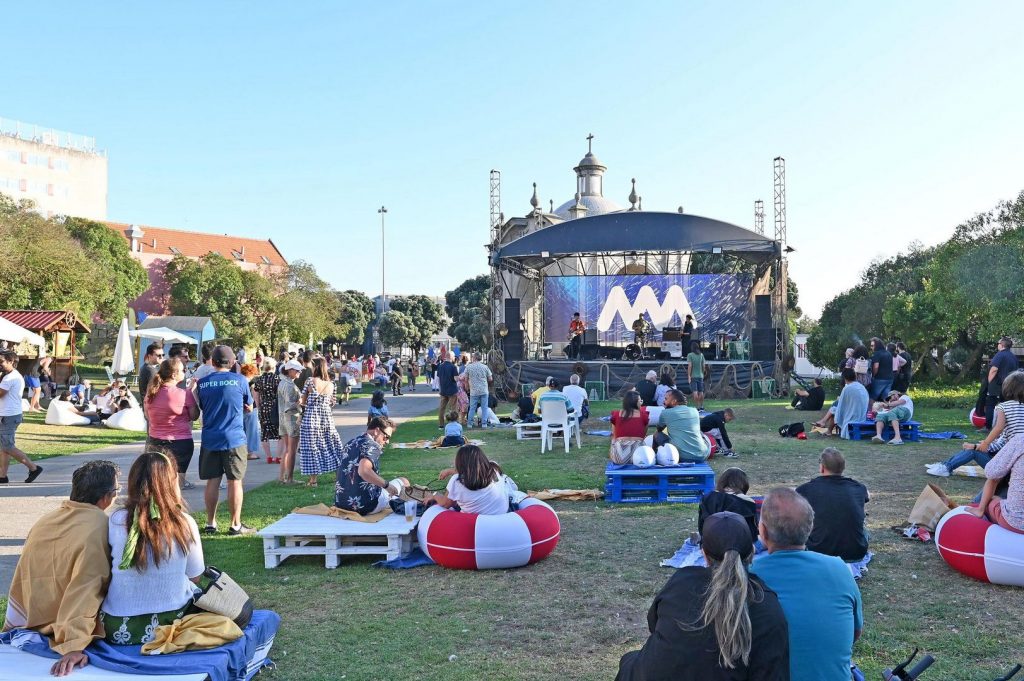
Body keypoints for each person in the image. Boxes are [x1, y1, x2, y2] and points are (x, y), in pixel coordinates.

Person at [616, 511, 789, 680]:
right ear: (752, 553)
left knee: (630, 661)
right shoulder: (766, 602)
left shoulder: (682, 581)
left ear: (704, 554)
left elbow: (654, 624)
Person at [3, 460, 119, 676]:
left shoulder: (46, 520)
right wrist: (74, 644)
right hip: (63, 626)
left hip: (30, 619)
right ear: (106, 497)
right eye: (116, 491)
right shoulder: (100, 526)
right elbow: (86, 588)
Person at [751, 487, 863, 681]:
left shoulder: (747, 575)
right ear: (810, 528)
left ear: (763, 532)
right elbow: (854, 633)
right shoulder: (839, 569)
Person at [100, 451, 204, 646]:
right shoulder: (184, 522)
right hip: (173, 623)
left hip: (117, 627)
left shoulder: (115, 520)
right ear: (171, 482)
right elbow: (195, 576)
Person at [195, 345, 255, 535]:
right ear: (233, 362)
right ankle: (235, 524)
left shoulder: (203, 383)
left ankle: (210, 523)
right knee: (235, 481)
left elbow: (203, 407)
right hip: (234, 438)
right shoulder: (240, 380)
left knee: (212, 481)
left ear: (212, 362)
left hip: (210, 437)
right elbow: (249, 406)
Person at [928, 370, 1024, 477]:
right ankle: (945, 464)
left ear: (1007, 388)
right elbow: (1002, 444)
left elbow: (999, 428)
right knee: (974, 448)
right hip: (1017, 466)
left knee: (972, 452)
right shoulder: (1016, 432)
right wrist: (978, 445)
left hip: (1007, 470)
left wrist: (984, 444)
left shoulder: (1003, 407)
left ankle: (946, 467)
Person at [795, 448, 870, 562]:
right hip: (855, 552)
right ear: (843, 468)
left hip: (818, 551)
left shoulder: (805, 489)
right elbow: (866, 497)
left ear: (822, 467)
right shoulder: (858, 488)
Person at [144, 358, 199, 490]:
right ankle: (174, 508)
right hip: (180, 442)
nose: (185, 372)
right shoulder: (184, 394)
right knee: (176, 485)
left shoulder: (150, 393)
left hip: (154, 441)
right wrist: (192, 392)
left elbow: (148, 416)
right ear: (174, 375)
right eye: (183, 370)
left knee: (155, 483)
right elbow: (194, 416)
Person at [334, 416, 408, 515]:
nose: (387, 441)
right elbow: (364, 471)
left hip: (341, 503)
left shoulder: (350, 443)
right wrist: (387, 485)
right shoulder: (373, 445)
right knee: (404, 481)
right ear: (377, 431)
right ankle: (404, 509)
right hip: (365, 505)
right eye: (386, 437)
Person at [431, 444, 520, 515]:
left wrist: (434, 495)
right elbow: (474, 471)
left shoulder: (457, 481)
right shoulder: (493, 468)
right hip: (503, 516)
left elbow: (445, 504)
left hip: (476, 524)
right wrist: (450, 471)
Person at [298, 357, 344, 488]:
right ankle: (338, 476)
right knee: (332, 445)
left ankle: (313, 480)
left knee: (312, 447)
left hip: (311, 418)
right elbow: (332, 402)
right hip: (327, 418)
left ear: (316, 367)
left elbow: (302, 400)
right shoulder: (331, 384)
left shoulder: (310, 381)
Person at [968, 431, 1024, 534]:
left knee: (994, 479)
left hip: (1015, 522)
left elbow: (991, 472)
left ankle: (979, 509)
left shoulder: (1020, 439)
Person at [0, 350, 43, 484]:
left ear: (11, 361)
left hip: (9, 416)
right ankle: (2, 476)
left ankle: (33, 468)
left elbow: (0, 393)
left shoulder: (10, 378)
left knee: (7, 447)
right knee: (4, 447)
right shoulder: (11, 375)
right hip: (9, 414)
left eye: (1, 361)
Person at [698, 468, 758, 542]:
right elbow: (752, 533)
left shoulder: (707, 497)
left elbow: (701, 527)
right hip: (739, 546)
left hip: (710, 543)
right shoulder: (747, 501)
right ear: (744, 483)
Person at [655, 389, 710, 462]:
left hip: (681, 457)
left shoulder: (665, 413)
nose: (663, 402)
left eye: (666, 399)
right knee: (700, 433)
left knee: (658, 435)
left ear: (674, 401)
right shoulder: (694, 410)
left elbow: (660, 429)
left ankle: (656, 455)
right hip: (703, 455)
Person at [813, 368, 869, 439]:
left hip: (853, 416)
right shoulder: (861, 387)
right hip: (862, 415)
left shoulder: (847, 388)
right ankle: (823, 422)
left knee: (834, 409)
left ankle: (826, 427)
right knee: (834, 409)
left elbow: (841, 406)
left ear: (844, 378)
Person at [277, 359, 303, 484]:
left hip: (282, 419)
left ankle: (282, 477)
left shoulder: (282, 382)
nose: (299, 372)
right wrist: (301, 403)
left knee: (287, 450)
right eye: (297, 370)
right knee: (291, 450)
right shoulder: (290, 386)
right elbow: (290, 405)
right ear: (290, 370)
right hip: (291, 419)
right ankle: (290, 478)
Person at [251, 358, 282, 464]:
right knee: (280, 433)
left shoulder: (259, 380)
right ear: (274, 367)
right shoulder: (277, 379)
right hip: (275, 407)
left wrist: (259, 407)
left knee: (264, 432)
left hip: (264, 407)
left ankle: (269, 457)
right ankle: (278, 457)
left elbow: (256, 395)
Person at [985, 336, 1019, 429]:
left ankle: (988, 427)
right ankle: (1006, 426)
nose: (997, 345)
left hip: (998, 385)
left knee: (991, 404)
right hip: (1010, 386)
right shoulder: (1014, 357)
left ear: (1002, 345)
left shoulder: (1000, 355)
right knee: (1007, 406)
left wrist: (989, 383)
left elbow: (994, 370)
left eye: (998, 343)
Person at [464, 352, 493, 428]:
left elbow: (465, 379)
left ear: (474, 358)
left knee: (472, 408)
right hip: (483, 390)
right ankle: (484, 424)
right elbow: (490, 378)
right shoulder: (485, 367)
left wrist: (467, 387)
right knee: (484, 407)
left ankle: (470, 424)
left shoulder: (469, 367)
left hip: (474, 390)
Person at [435, 353, 458, 428]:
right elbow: (456, 379)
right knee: (453, 408)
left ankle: (441, 424)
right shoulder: (453, 367)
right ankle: (454, 423)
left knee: (442, 408)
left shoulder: (440, 366)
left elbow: (438, 378)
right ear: (451, 357)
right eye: (454, 356)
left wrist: (440, 388)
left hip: (443, 390)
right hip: (452, 390)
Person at [686, 341, 706, 410]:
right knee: (701, 391)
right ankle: (702, 406)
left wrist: (689, 376)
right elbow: (703, 366)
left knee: (695, 392)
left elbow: (690, 366)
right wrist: (702, 373)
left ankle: (697, 407)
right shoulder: (701, 355)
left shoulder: (690, 355)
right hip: (700, 376)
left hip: (693, 376)